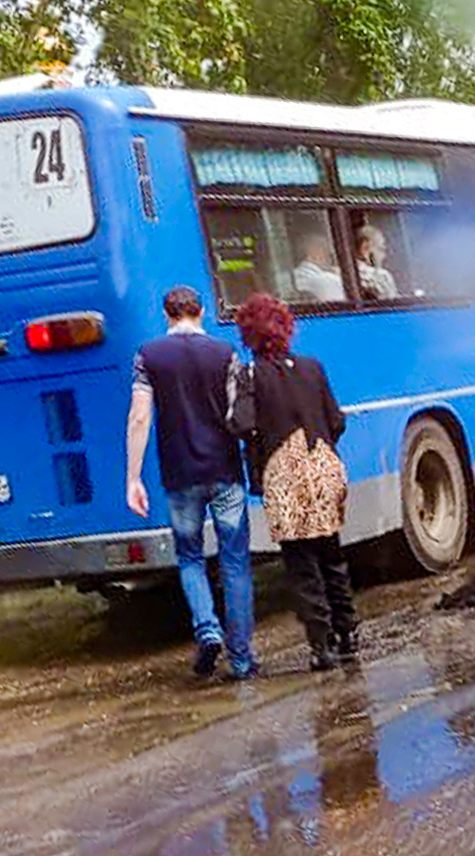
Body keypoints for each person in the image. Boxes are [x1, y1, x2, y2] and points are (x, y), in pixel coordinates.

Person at [125, 286, 257, 680]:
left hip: (180, 475)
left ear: (167, 314)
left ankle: (207, 628)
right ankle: (241, 659)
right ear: (200, 311)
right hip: (225, 471)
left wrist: (133, 477)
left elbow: (139, 417)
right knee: (235, 561)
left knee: (190, 558)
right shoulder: (224, 352)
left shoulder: (149, 356)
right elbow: (241, 414)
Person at [229, 293, 359, 672]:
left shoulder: (250, 374)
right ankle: (348, 634)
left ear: (249, 334)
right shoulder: (313, 368)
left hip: (284, 473)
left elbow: (242, 423)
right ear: (286, 328)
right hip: (322, 464)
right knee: (332, 555)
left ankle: (322, 647)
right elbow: (337, 420)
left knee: (302, 565)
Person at [292, 233, 346, 302]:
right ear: (315, 252)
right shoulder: (326, 279)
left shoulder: (294, 275)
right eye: (326, 251)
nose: (328, 256)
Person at [354, 225, 400, 300]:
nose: (384, 256)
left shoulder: (339, 276)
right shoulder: (381, 277)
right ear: (365, 248)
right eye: (381, 249)